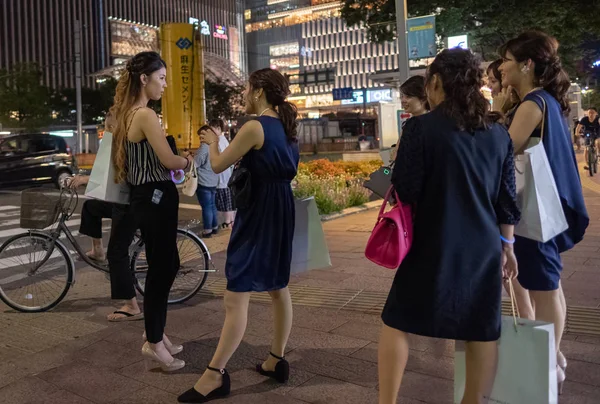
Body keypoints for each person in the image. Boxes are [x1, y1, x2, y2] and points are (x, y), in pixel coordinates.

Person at [378, 48, 520, 404]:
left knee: (398, 320)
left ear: (437, 81)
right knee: (481, 330)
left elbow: (406, 188)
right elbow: (506, 202)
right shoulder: (498, 133)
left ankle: (387, 402)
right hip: (484, 248)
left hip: (432, 242)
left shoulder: (421, 128)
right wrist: (508, 247)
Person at [178, 68, 300, 403]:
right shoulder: (288, 126)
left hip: (259, 210)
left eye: (247, 88)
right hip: (281, 206)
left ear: (259, 90)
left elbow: (218, 166)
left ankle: (215, 375)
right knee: (278, 285)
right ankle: (276, 359)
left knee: (237, 293)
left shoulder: (255, 126)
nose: (244, 93)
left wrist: (212, 142)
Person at [499, 30, 589, 392]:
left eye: (506, 60)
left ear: (527, 64)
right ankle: (555, 358)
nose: (502, 67)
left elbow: (504, 148)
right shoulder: (545, 99)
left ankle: (548, 362)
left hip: (534, 208)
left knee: (545, 287)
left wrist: (499, 111)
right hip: (547, 205)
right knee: (548, 285)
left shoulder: (533, 102)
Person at [111, 51, 194, 372]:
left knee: (167, 264)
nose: (165, 85)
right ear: (143, 79)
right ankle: (154, 341)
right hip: (155, 197)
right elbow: (168, 161)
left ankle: (156, 332)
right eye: (161, 79)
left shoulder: (129, 113)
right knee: (163, 268)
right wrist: (188, 160)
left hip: (147, 197)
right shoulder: (145, 115)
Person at [390, 76, 429, 163]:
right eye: (402, 96)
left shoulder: (432, 125)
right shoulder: (409, 124)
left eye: (408, 96)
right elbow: (396, 155)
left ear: (423, 98)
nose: (403, 100)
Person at [209, 118, 236, 229]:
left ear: (218, 128)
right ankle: (230, 221)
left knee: (225, 203)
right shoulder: (224, 140)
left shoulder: (219, 141)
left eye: (212, 129)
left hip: (222, 177)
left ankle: (228, 222)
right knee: (228, 202)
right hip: (226, 176)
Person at [194, 125, 219, 238]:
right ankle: (214, 227)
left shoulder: (204, 147)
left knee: (206, 207)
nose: (200, 138)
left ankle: (207, 230)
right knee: (212, 205)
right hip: (214, 180)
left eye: (201, 135)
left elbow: (197, 162)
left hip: (204, 181)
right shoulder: (215, 145)